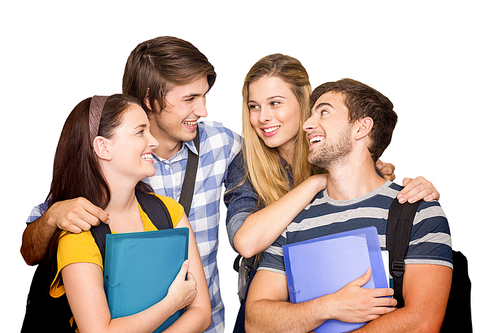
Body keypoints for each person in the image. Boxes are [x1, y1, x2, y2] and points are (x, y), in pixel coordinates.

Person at [21, 36, 241, 333]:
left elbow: (271, 168)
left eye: (204, 96)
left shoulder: (221, 145)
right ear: (150, 100)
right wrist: (52, 217)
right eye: (189, 99)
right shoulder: (79, 220)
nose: (203, 111)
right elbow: (31, 251)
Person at [244, 79, 453, 332]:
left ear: (361, 128)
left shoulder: (417, 211)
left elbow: (421, 322)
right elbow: (255, 321)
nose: (307, 125)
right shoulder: (292, 219)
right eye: (310, 115)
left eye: (324, 112)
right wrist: (329, 307)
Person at [224, 53, 439, 279]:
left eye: (275, 103)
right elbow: (246, 242)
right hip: (270, 292)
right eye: (254, 106)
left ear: (303, 103)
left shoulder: (334, 149)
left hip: (337, 284)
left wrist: (418, 192)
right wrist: (317, 182)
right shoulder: (245, 164)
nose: (263, 117)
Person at [33, 94, 211, 332]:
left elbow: (201, 313)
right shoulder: (78, 234)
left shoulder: (169, 212)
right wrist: (172, 303)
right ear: (103, 147)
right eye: (140, 132)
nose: (153, 141)